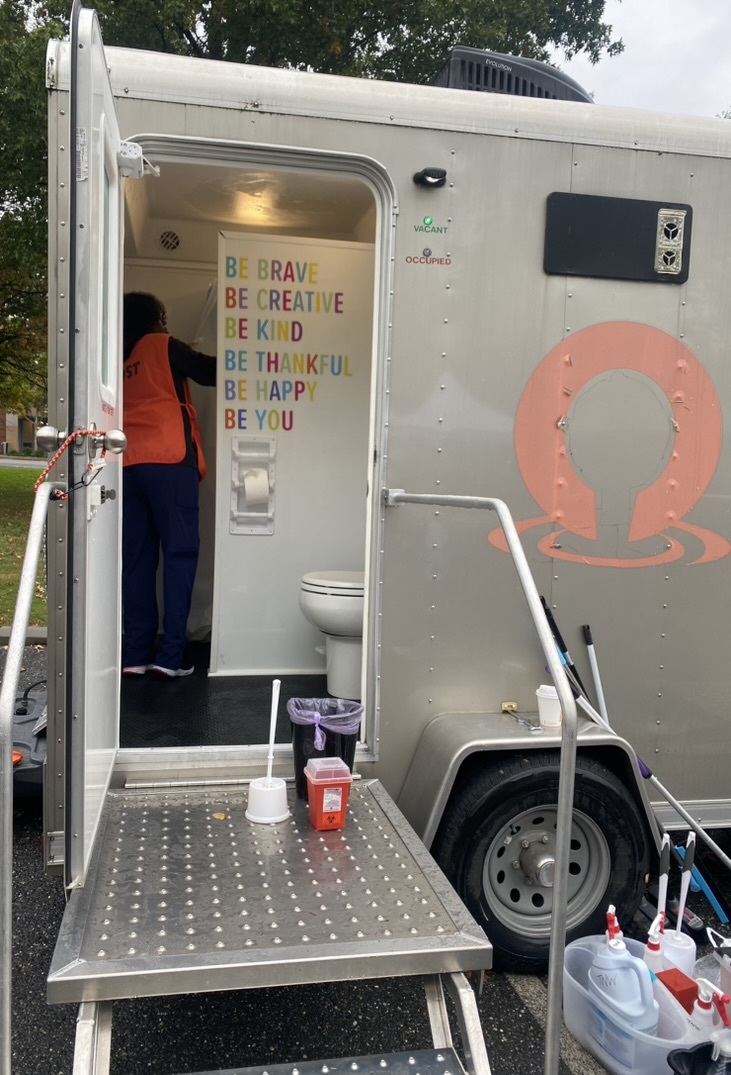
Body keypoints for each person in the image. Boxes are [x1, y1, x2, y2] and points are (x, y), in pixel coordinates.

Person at [121, 291, 216, 678]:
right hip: (170, 458)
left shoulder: (119, 356)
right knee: (179, 556)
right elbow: (210, 372)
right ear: (155, 318)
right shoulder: (163, 345)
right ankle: (171, 658)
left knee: (139, 562)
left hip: (128, 463)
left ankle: (135, 656)